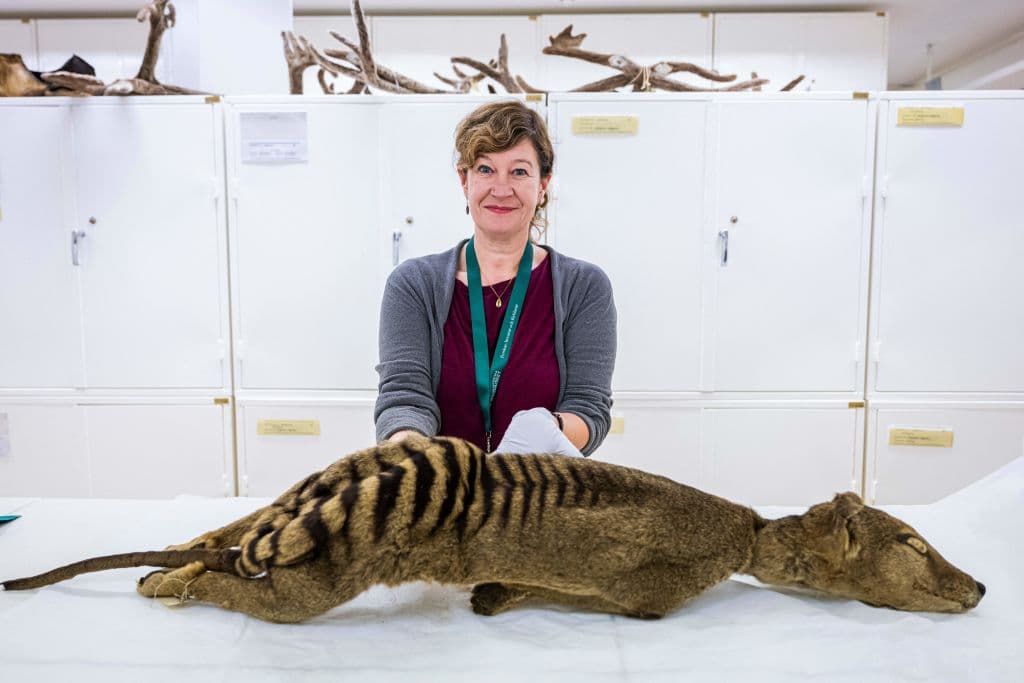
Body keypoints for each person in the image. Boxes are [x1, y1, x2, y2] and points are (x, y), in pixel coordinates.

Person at [374, 99, 616, 457]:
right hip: (448, 493)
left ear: (543, 184)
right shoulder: (413, 285)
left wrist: (551, 427)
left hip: (539, 494)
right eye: (486, 169)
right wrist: (412, 452)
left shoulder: (584, 287)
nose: (501, 189)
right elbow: (403, 397)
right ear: (464, 179)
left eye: (519, 172)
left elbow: (589, 408)